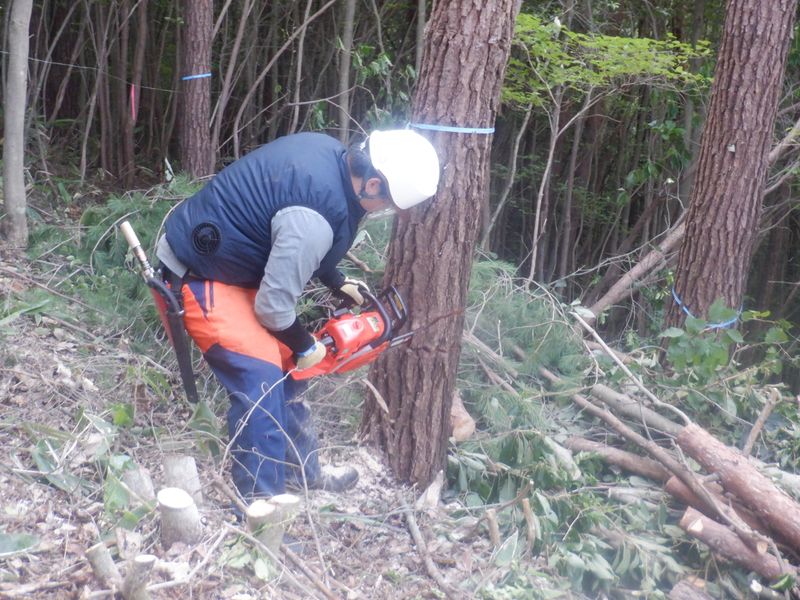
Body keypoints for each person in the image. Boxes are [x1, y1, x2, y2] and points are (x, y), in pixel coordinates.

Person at [155, 129, 440, 501]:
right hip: (197, 275)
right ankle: (263, 507)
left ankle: (302, 472)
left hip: (233, 266)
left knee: (291, 368)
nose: (384, 210)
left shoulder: (330, 155)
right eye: (385, 202)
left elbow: (288, 225)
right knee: (263, 379)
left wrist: (336, 280)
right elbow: (273, 307)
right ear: (372, 184)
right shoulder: (315, 218)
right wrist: (306, 345)